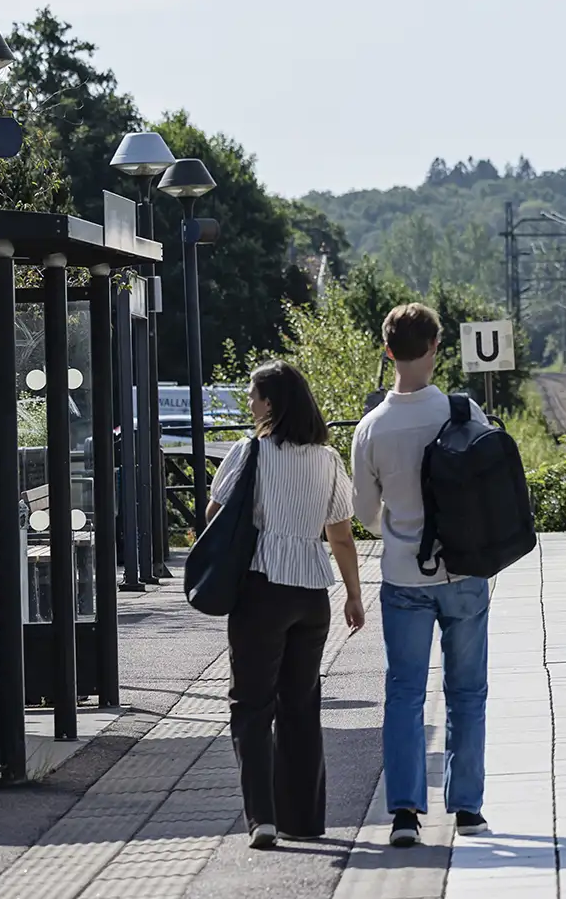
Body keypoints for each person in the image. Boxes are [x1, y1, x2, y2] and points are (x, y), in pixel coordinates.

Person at [204, 360, 366, 849]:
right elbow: (341, 536)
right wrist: (354, 595)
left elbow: (215, 512)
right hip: (312, 597)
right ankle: (304, 819)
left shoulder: (249, 451)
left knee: (252, 706)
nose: (250, 404)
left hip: (262, 589)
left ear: (270, 402)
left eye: (254, 396)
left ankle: (263, 819)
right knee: (300, 707)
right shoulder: (327, 459)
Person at [351, 303, 492, 847]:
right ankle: (468, 810)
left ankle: (406, 814)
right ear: (435, 348)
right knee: (467, 692)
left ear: (388, 350)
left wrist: (398, 514)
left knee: (405, 692)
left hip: (404, 578)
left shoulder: (371, 428)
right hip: (463, 575)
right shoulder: (463, 412)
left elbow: (365, 513)